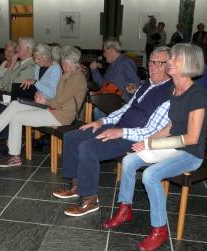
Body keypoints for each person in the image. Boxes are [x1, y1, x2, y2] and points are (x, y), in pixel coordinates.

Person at [103, 43, 207, 251]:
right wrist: (148, 139)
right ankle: (125, 209)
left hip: (190, 153)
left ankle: (159, 229)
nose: (170, 62)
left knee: (150, 175)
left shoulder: (196, 94)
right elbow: (171, 126)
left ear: (187, 64)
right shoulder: (176, 89)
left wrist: (151, 143)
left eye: (175, 59)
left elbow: (191, 138)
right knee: (129, 159)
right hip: (172, 145)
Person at [52, 46, 173, 216]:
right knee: (72, 136)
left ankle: (90, 199)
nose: (153, 66)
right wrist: (102, 121)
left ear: (171, 65)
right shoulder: (146, 85)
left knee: (88, 147)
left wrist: (121, 132)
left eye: (159, 63)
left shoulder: (171, 93)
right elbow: (125, 109)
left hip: (135, 138)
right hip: (119, 129)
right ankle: (76, 185)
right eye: (151, 61)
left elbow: (151, 131)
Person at [0, 46, 87, 167]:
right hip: (53, 109)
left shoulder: (78, 78)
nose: (64, 66)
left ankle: (14, 157)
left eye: (66, 64)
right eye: (63, 63)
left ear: (74, 63)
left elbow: (59, 100)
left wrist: (45, 101)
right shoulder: (67, 75)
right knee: (15, 105)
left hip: (62, 116)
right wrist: (46, 99)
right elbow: (57, 96)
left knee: (17, 117)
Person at [90, 38, 139, 118]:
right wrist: (94, 70)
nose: (103, 54)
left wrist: (130, 88)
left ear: (112, 50)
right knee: (93, 102)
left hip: (120, 102)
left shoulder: (126, 62)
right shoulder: (111, 66)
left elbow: (135, 84)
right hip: (108, 99)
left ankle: (102, 129)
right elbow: (102, 85)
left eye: (104, 51)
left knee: (97, 108)